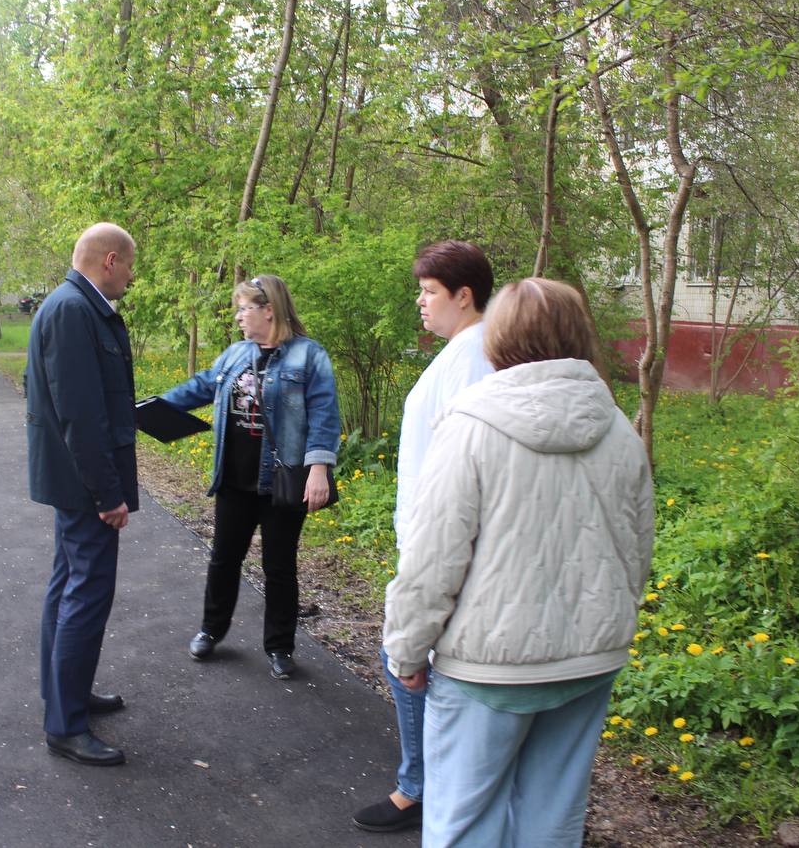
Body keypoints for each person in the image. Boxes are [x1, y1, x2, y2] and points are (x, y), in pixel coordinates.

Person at [383, 278, 654, 847]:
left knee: (463, 823)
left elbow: (432, 559)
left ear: (498, 338)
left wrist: (406, 647)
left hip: (488, 667)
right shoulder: (619, 429)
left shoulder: (469, 426)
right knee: (552, 822)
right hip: (588, 662)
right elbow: (637, 550)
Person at [352, 240, 496, 834]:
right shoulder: (464, 350)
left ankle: (422, 788)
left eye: (430, 291)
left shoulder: (476, 358)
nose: (420, 301)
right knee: (418, 662)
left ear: (464, 296)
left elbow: (462, 466)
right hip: (429, 536)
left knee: (409, 659)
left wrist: (430, 552)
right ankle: (432, 782)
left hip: (443, 542)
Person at [161, 274, 340, 680]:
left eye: (245, 308)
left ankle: (279, 647)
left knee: (279, 565)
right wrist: (148, 408)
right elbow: (200, 387)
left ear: (269, 310)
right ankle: (211, 629)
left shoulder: (309, 356)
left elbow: (325, 416)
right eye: (239, 308)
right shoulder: (235, 354)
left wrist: (319, 471)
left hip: (281, 481)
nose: (239, 316)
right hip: (234, 479)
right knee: (224, 558)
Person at [25, 222, 138, 767]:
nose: (132, 279)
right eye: (131, 267)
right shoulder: (73, 310)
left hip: (73, 480)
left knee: (67, 584)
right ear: (110, 260)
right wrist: (107, 494)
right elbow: (80, 416)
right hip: (83, 484)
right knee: (85, 592)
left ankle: (66, 695)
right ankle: (66, 726)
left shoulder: (75, 307)